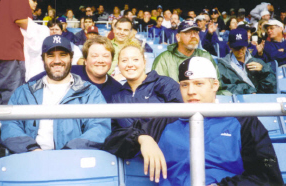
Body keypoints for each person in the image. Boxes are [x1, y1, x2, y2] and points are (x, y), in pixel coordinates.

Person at [103, 56, 283, 185]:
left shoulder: (243, 121)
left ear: (214, 85)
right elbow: (113, 141)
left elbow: (266, 176)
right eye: (185, 85)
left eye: (199, 84)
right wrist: (142, 138)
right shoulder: (166, 120)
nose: (191, 92)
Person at [0, 35, 111, 153]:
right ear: (43, 59)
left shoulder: (90, 92)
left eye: (63, 55)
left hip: (74, 160)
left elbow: (99, 128)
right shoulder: (25, 92)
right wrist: (31, 149)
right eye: (51, 55)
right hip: (31, 159)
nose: (57, 61)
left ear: (71, 57)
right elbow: (9, 126)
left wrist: (69, 152)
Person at [29, 36, 122, 103]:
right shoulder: (68, 72)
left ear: (112, 59)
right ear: (85, 60)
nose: (100, 60)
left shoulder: (117, 90)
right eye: (95, 56)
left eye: (105, 56)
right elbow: (32, 84)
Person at [111, 44, 183, 128]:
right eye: (124, 60)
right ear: (118, 65)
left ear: (144, 62)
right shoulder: (117, 97)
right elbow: (116, 131)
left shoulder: (164, 84)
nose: (130, 64)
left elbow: (180, 116)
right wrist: (138, 137)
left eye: (135, 59)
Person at [0, 0, 35, 105]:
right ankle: (8, 121)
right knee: (13, 96)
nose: (35, 4)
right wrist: (42, 30)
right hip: (9, 53)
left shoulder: (3, 2)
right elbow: (21, 21)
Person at [152, 20, 219, 83]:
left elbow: (217, 83)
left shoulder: (205, 57)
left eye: (195, 33)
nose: (193, 36)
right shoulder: (163, 59)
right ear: (178, 37)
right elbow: (157, 86)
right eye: (188, 33)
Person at [218, 28, 276, 94]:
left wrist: (264, 70)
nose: (240, 50)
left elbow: (271, 85)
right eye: (236, 47)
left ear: (247, 45)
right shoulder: (222, 66)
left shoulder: (258, 62)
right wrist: (247, 89)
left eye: (243, 47)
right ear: (229, 46)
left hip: (260, 100)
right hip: (238, 102)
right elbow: (224, 88)